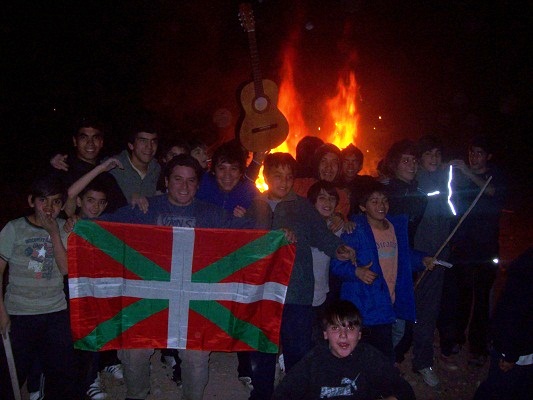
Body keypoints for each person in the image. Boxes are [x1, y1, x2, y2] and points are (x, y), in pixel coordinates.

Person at [99, 154, 252, 400]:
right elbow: (103, 226)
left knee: (197, 356)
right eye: (178, 179)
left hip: (192, 301)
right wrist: (77, 221)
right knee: (133, 351)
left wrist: (280, 234)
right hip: (151, 297)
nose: (184, 186)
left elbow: (251, 234)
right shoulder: (147, 208)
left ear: (198, 185)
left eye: (191, 181)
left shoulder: (211, 214)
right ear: (167, 182)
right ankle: (136, 395)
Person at [245, 152, 356, 400]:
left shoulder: (303, 208)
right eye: (277, 177)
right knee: (263, 348)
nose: (284, 183)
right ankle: (262, 393)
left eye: (289, 177)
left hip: (297, 291)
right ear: (265, 177)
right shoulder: (255, 206)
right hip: (263, 292)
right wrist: (274, 234)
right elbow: (245, 243)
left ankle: (294, 394)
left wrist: (338, 249)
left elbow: (321, 235)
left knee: (297, 350)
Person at [331, 180, 433, 363]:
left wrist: (421, 259)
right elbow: (337, 265)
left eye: (384, 200)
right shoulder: (355, 230)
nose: (381, 205)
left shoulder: (395, 227)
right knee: (362, 354)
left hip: (388, 301)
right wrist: (357, 272)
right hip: (363, 304)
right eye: (374, 201)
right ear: (363, 206)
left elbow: (403, 256)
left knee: (385, 350)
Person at [0, 176, 80, 399]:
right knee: (12, 374)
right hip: (20, 312)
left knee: (61, 374)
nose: (48, 208)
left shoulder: (63, 230)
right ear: (31, 201)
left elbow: (65, 270)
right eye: (42, 200)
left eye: (56, 202)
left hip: (55, 311)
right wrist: (1, 311)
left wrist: (54, 232)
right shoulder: (14, 228)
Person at [272, 300, 415, 400]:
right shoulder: (313, 361)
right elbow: (282, 395)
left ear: (359, 334)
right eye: (335, 328)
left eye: (350, 328)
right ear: (325, 334)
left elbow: (405, 392)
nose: (343, 335)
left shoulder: (369, 357)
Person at [448, 135, 507, 366]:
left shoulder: (496, 175)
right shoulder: (461, 176)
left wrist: (468, 173)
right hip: (463, 246)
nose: (473, 157)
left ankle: (478, 345)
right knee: (461, 295)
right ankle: (456, 338)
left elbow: (493, 192)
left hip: (486, 247)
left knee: (483, 296)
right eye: (471, 152)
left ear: (488, 156)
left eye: (479, 153)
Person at [407, 135, 456, 386]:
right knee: (403, 305)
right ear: (419, 158)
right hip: (412, 255)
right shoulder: (413, 180)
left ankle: (423, 361)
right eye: (429, 154)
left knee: (428, 309)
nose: (434, 158)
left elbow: (451, 213)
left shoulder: (447, 180)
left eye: (437, 153)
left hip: (437, 255)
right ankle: (392, 355)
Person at [473, 247, 533, 400]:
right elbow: (512, 313)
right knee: (498, 390)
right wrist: (509, 355)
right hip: (515, 351)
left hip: (522, 350)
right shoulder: (527, 269)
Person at [306, 180, 353, 345]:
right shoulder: (303, 225)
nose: (328, 203)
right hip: (301, 294)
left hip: (322, 293)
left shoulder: (337, 227)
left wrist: (347, 223)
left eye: (332, 199)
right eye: (322, 198)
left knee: (319, 337)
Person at [49, 116, 127, 213]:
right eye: (84, 137)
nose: (90, 143)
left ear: (101, 142)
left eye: (95, 138)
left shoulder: (107, 178)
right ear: (75, 141)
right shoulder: (61, 170)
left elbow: (121, 212)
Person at [107, 122, 161, 211]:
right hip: (115, 222)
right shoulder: (112, 167)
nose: (149, 146)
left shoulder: (157, 170)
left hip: (146, 223)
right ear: (131, 145)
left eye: (153, 141)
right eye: (143, 141)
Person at [292, 143, 351, 218]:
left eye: (334, 162)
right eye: (323, 161)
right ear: (317, 164)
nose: (328, 167)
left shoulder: (342, 198)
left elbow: (339, 224)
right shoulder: (299, 186)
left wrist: (339, 218)